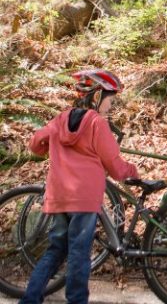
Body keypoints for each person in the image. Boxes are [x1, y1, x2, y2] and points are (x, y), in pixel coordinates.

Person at [20, 69, 139, 304]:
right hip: (85, 200)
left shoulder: (59, 119)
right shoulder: (97, 124)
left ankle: (29, 300)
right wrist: (132, 172)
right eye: (110, 101)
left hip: (59, 196)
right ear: (96, 97)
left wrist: (48, 147)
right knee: (78, 254)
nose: (110, 107)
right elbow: (114, 165)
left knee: (56, 250)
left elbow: (35, 144)